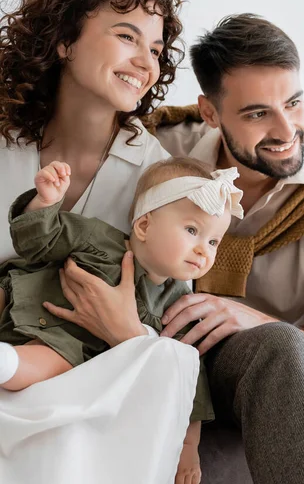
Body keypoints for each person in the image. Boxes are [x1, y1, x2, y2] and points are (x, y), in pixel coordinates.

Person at [57, 14, 304, 484]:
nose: (286, 131)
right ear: (211, 113)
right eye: (258, 113)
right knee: (280, 346)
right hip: (178, 356)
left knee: (282, 344)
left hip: (290, 384)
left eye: (294, 103)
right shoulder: (154, 155)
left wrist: (256, 319)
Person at [0, 0, 201, 484]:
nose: (145, 61)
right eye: (126, 36)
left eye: (155, 50)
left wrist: (123, 330)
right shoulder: (4, 143)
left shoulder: (158, 178)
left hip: (91, 373)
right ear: (65, 40)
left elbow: (173, 315)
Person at [0, 155, 243, 483]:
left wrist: (188, 446)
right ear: (144, 226)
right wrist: (45, 203)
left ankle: (6, 362)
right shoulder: (96, 237)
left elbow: (187, 377)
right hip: (25, 295)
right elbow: (42, 240)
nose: (205, 251)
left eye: (213, 241)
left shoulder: (179, 306)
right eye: (192, 230)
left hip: (65, 346)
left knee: (49, 362)